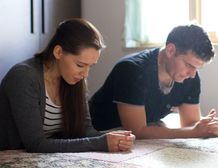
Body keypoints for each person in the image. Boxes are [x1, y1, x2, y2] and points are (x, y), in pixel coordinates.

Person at [0, 18, 135, 152]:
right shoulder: (23, 77)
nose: (85, 74)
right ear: (58, 52)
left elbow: (86, 132)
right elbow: (35, 144)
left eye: (90, 66)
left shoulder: (74, 79)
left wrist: (114, 138)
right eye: (80, 65)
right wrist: (100, 143)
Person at [89, 24, 218, 139]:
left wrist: (205, 127)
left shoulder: (188, 76)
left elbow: (190, 124)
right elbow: (137, 131)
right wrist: (193, 132)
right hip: (100, 131)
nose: (193, 74)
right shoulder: (132, 69)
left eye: (197, 68)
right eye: (189, 65)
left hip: (140, 129)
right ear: (170, 50)